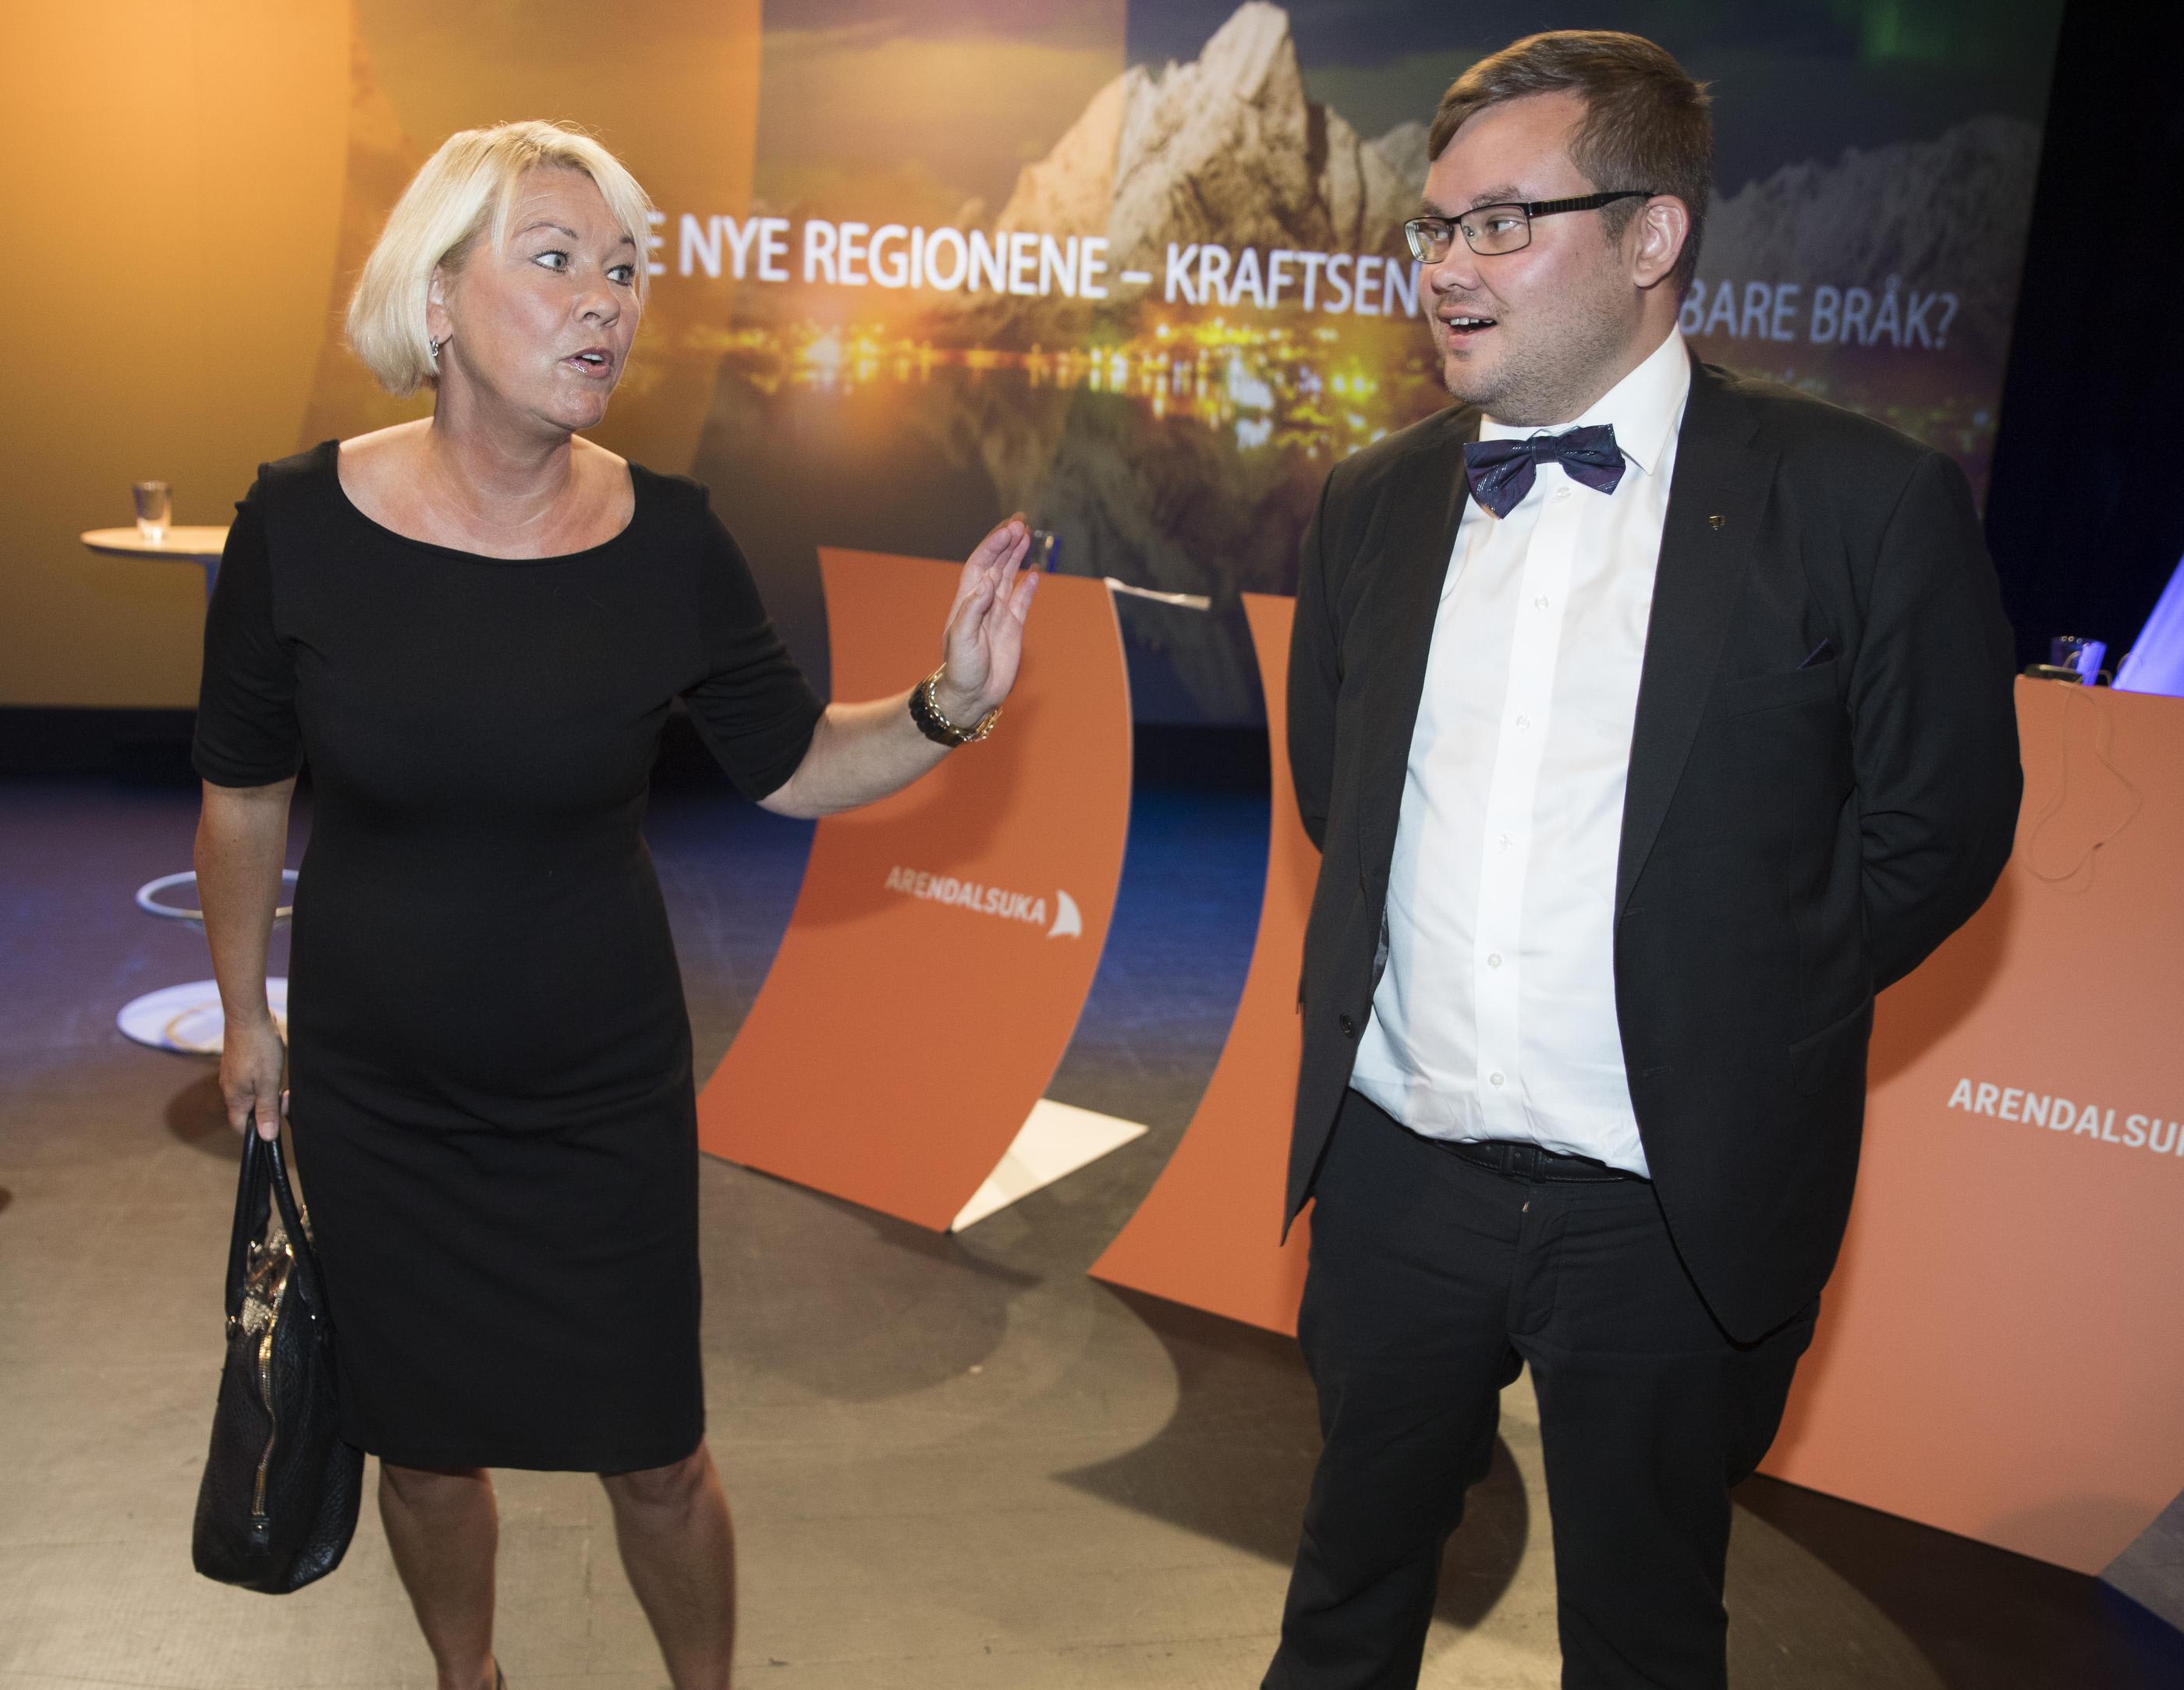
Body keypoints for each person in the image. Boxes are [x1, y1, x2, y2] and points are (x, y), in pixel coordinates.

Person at [192, 120, 1037, 1690]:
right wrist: (247, 1016)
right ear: (437, 300)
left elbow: (793, 763)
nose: (607, 300)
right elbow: (242, 793)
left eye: (627, 270)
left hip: (598, 1090)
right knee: (421, 1449)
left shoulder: (671, 541)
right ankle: (469, 1683)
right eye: (557, 261)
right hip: (382, 1090)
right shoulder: (295, 525)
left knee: (655, 1456)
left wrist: (950, 703)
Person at [1267, 31, 2021, 1690]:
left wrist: (1737, 998)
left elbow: (1939, 832)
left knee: (1646, 1633)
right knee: (1340, 1603)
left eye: (1501, 224)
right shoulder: (1372, 502)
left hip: (1669, 1208)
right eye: (1436, 226)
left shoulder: (1858, 502)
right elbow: (1343, 798)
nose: (1446, 268)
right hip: (1399, 1177)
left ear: (1650, 235)